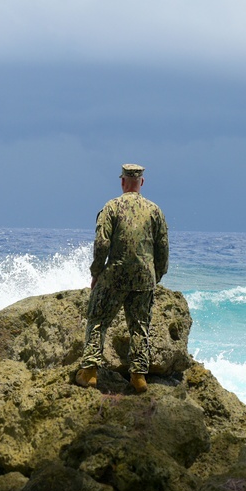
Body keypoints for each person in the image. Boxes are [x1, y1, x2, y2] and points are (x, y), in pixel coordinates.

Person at [76, 163, 169, 393]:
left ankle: (89, 372)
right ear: (142, 183)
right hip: (144, 277)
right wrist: (156, 275)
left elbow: (102, 244)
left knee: (97, 319)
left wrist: (96, 273)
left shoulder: (111, 207)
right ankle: (138, 377)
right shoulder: (154, 210)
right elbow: (163, 247)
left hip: (114, 275)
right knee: (140, 327)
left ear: (122, 181)